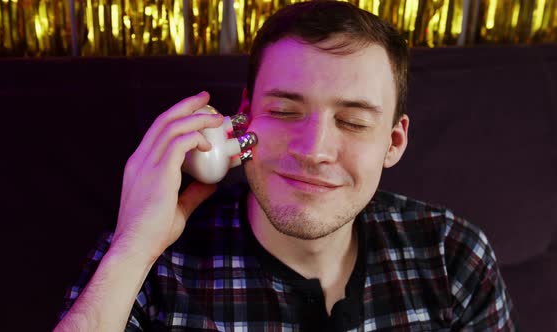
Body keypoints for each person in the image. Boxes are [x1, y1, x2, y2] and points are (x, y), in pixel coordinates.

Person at [55, 1, 517, 331]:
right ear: (243, 116)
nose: (314, 150)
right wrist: (134, 246)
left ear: (393, 142)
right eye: (283, 111)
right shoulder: (151, 264)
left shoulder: (451, 254)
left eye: (353, 122)